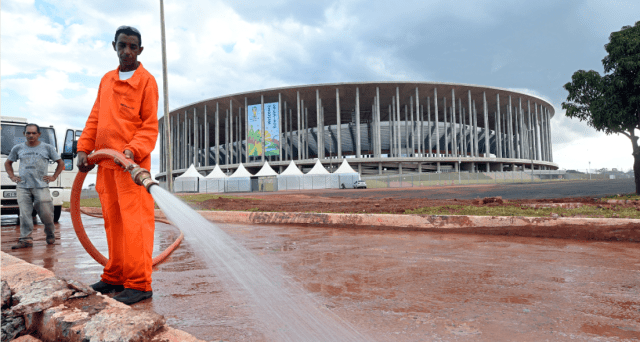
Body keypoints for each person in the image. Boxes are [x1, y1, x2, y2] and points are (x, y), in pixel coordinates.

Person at [76, 25, 159, 305]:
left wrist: (131, 151)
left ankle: (139, 284)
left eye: (132, 46)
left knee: (135, 226)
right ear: (114, 45)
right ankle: (115, 276)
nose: (126, 51)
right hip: (106, 165)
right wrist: (84, 148)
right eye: (122, 45)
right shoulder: (107, 80)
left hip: (131, 168)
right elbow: (95, 117)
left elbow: (149, 127)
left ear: (140, 50)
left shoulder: (146, 81)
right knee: (114, 224)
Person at [4, 123, 64, 249]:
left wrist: (53, 177)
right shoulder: (18, 148)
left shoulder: (47, 148)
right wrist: (12, 177)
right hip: (23, 186)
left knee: (47, 214)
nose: (31, 135)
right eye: (28, 133)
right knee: (24, 214)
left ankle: (50, 234)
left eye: (33, 133)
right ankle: (26, 240)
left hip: (41, 186)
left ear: (39, 134)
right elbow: (8, 163)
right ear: (24, 134)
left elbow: (60, 162)